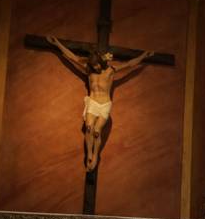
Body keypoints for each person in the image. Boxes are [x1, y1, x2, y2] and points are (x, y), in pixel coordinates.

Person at [45, 35, 154, 171]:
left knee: (97, 131)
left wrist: (144, 56)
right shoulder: (89, 71)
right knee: (89, 127)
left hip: (104, 105)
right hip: (93, 102)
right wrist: (57, 44)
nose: (95, 67)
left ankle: (96, 155)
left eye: (96, 65)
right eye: (93, 65)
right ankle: (89, 155)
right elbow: (73, 58)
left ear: (100, 62)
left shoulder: (110, 71)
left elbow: (129, 64)